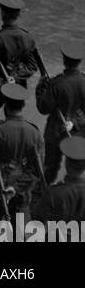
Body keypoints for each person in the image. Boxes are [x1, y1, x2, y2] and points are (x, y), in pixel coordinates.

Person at [0, 83, 43, 243]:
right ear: (23, 105)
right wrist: (16, 187)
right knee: (17, 235)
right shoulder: (34, 132)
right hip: (20, 193)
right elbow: (37, 170)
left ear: (5, 106)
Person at [35, 40, 85, 182]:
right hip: (79, 132)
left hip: (55, 132)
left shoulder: (56, 83)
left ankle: (42, 197)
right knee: (75, 169)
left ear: (64, 60)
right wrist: (74, 123)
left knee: (50, 167)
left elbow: (43, 108)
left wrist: (40, 88)